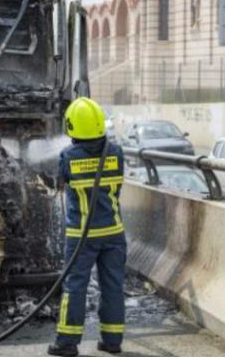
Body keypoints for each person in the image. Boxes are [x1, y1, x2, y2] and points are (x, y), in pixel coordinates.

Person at [48, 97, 126, 357]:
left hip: (82, 235)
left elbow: (61, 183)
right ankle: (112, 341)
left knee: (75, 286)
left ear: (72, 126)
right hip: (113, 233)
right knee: (113, 286)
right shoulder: (116, 152)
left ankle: (67, 343)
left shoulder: (68, 156)